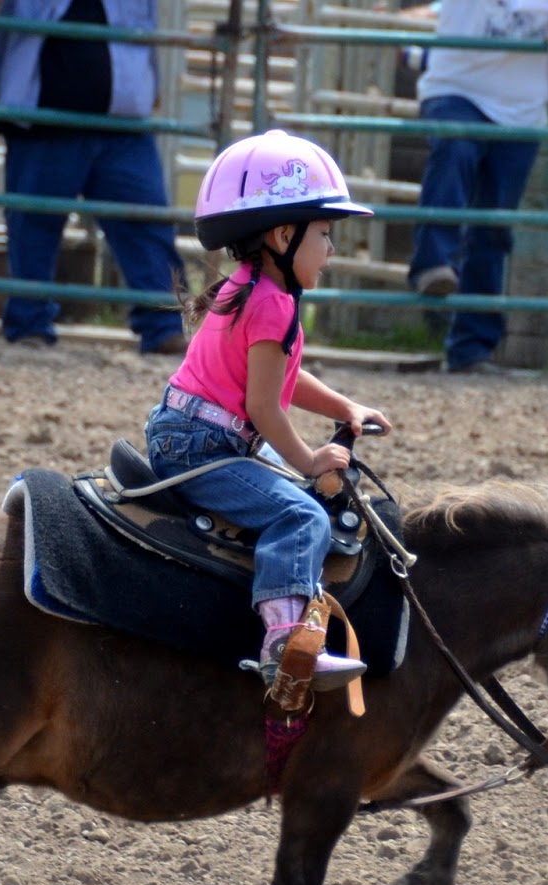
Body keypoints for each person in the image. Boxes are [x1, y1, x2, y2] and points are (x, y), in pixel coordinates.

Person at [145, 130, 392, 692]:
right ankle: (287, 645)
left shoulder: (247, 289)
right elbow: (264, 403)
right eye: (324, 235)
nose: (331, 250)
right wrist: (309, 461)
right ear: (285, 234)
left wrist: (345, 405)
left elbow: (279, 378)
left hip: (185, 434)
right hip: (205, 446)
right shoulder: (273, 306)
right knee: (302, 515)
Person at [0, 0, 187, 355]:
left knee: (147, 223)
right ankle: (30, 323)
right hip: (43, 117)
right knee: (34, 224)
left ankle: (163, 326)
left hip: (122, 120)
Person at [406, 0, 548, 374]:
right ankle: (432, 263)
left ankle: (471, 347)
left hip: (523, 109)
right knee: (456, 146)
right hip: (458, 91)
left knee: (493, 224)